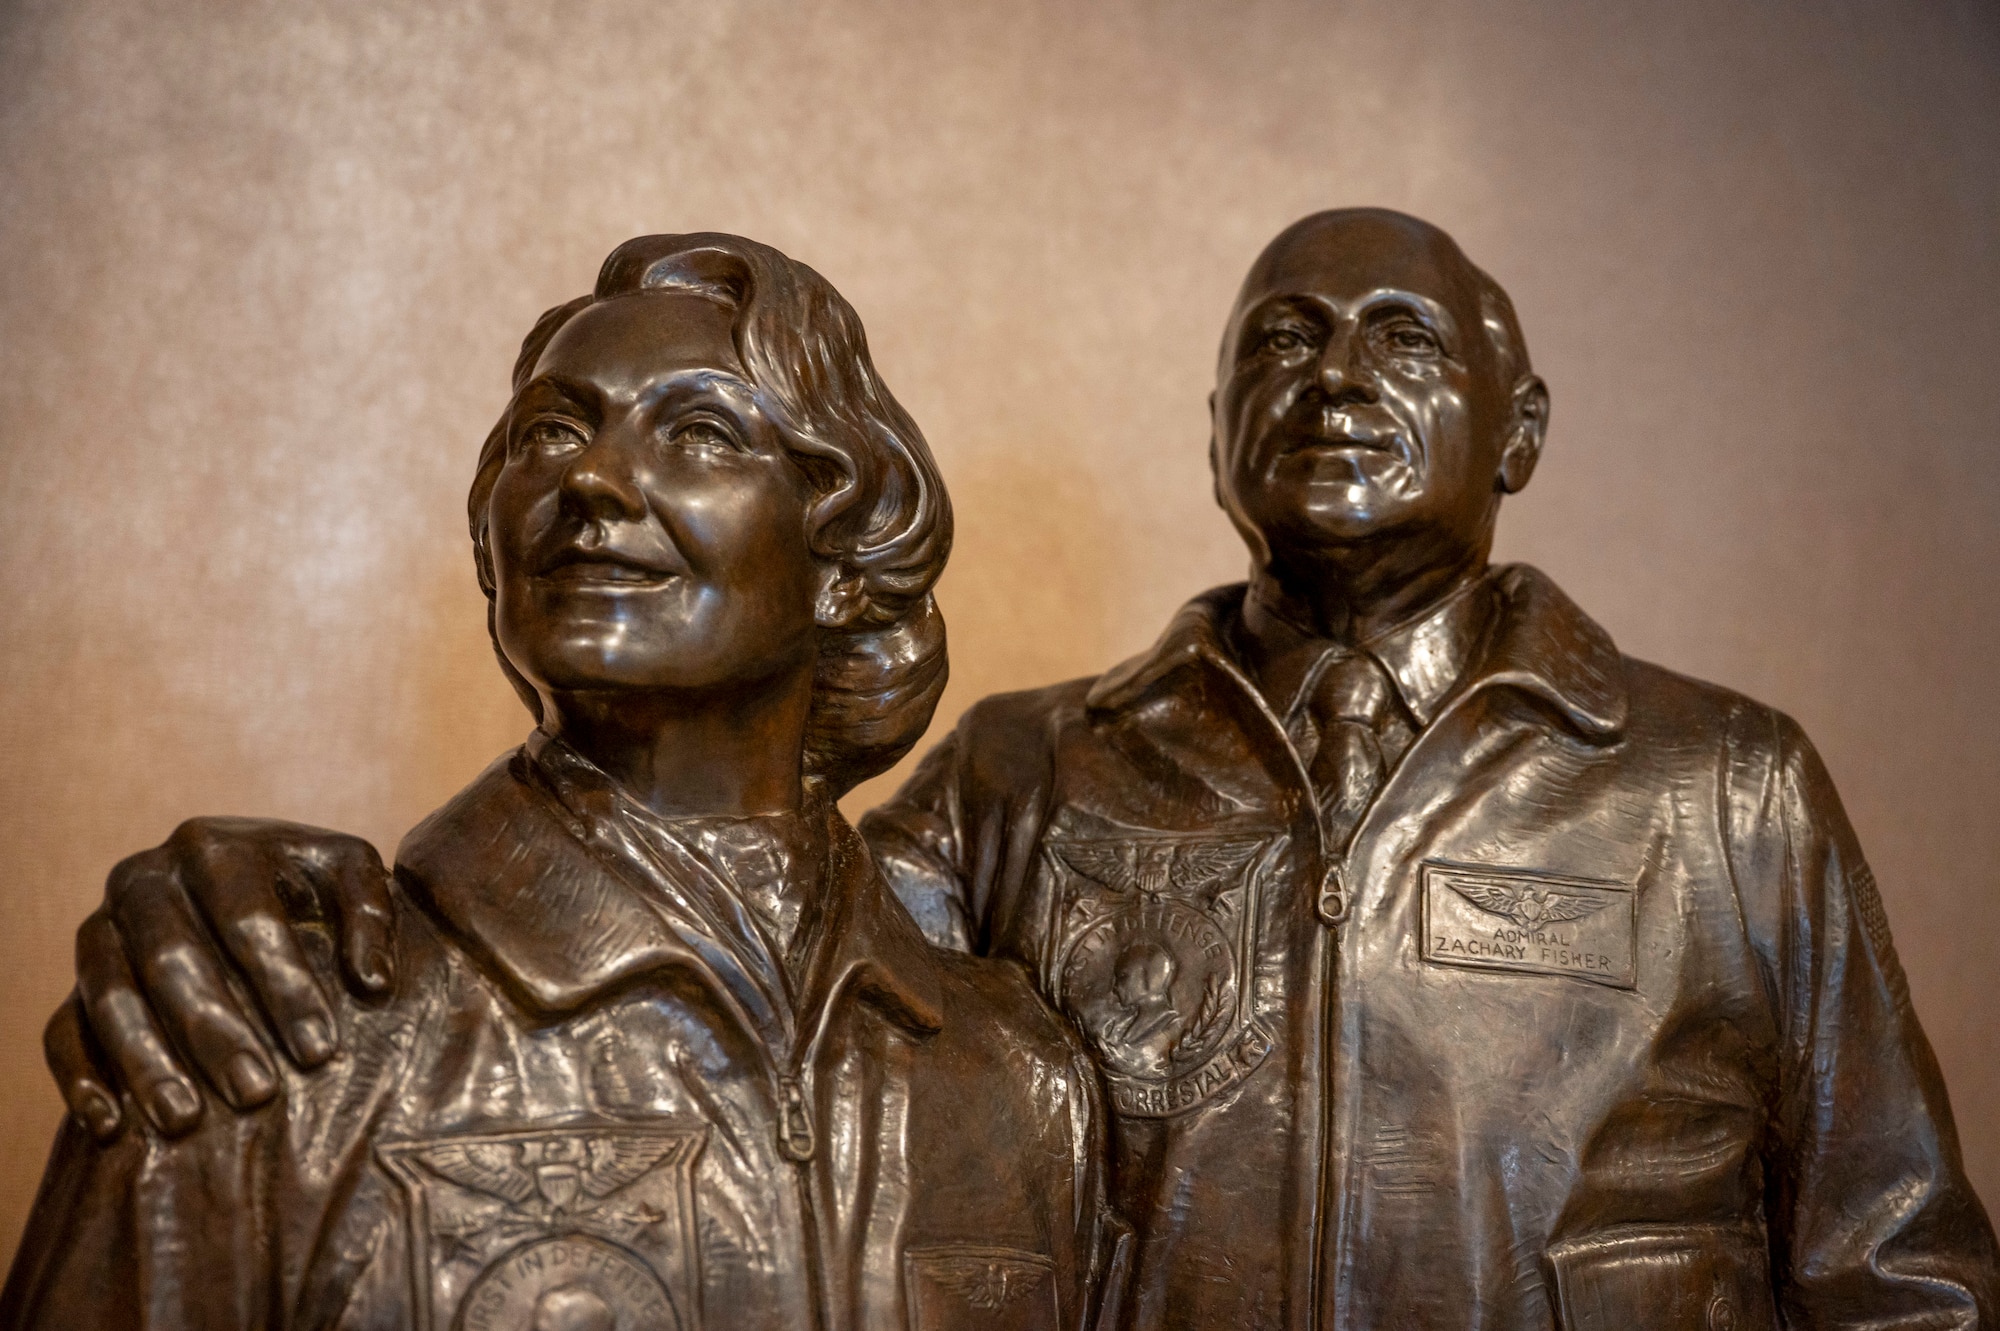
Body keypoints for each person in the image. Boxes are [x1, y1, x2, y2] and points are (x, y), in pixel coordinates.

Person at [37, 210, 2000, 1330]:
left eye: (1403, 335)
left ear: (1525, 416)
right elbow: (732, 964)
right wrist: (241, 894)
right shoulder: (1028, 775)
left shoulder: (1718, 784)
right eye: (1278, 341)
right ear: (1216, 429)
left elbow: (1903, 1278)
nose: (1333, 376)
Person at [3, 233, 1107, 1330]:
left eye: (700, 433)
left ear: (842, 558)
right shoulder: (271, 1021)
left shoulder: (1012, 1078)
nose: (589, 476)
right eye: (551, 429)